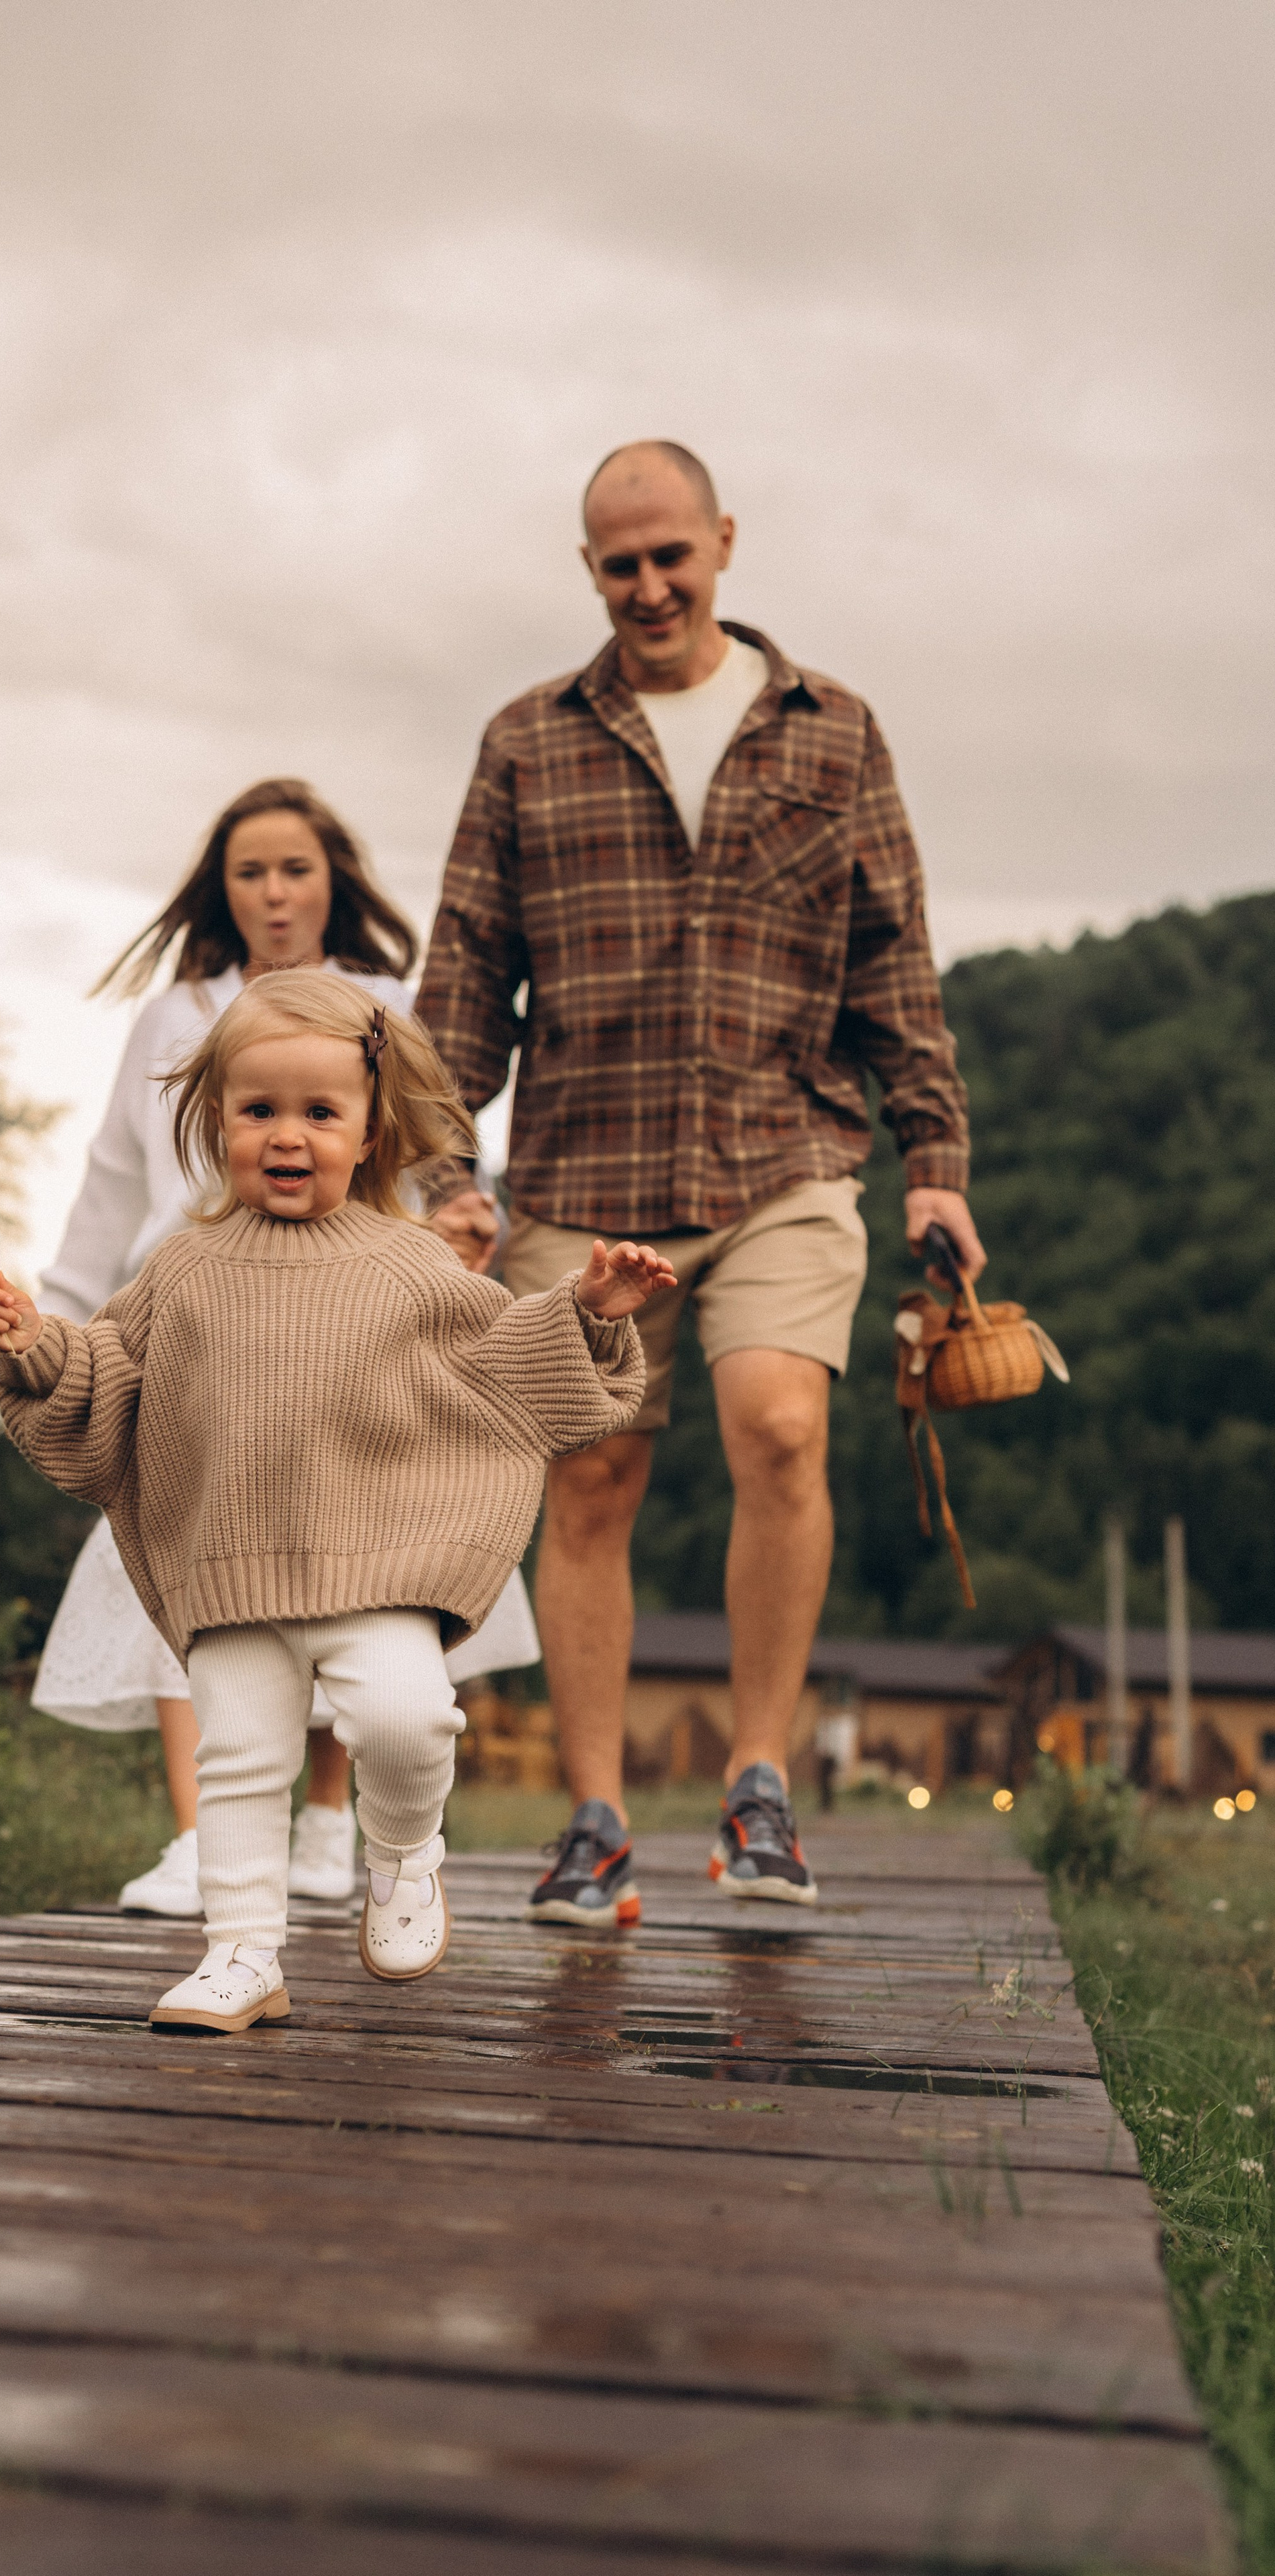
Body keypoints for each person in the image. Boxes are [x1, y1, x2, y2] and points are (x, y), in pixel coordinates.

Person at [418, 439, 982, 1918]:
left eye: (671, 555)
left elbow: (893, 965)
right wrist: (439, 1168)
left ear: (721, 542)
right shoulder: (524, 742)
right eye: (619, 564)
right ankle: (595, 1816)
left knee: (778, 1426)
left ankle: (756, 1791)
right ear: (588, 570)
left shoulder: (833, 732)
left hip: (783, 1151)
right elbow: (464, 975)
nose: (649, 586)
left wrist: (934, 1160)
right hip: (580, 1169)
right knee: (592, 1477)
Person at [0, 969, 669, 2032]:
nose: (287, 1136)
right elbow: (112, 1373)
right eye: (259, 1111)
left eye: (318, 1112)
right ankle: (242, 1955)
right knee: (241, 1763)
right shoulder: (186, 1269)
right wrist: (37, 1346)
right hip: (232, 1566)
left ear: (370, 1127)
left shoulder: (409, 1264)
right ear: (216, 1125)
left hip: (377, 1566)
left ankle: (402, 1851)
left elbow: (499, 1358)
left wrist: (585, 1311)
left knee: (407, 1718)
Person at [31, 779, 540, 1916]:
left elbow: (426, 1146)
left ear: (331, 883)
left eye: (295, 869)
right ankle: (202, 1838)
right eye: (250, 871)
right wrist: (62, 1315)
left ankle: (325, 1829)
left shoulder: (381, 1002)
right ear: (225, 888)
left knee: (339, 1558)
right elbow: (116, 1173)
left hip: (345, 1317)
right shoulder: (176, 1015)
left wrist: (461, 1221)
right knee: (179, 1560)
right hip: (196, 1317)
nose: (272, 891)